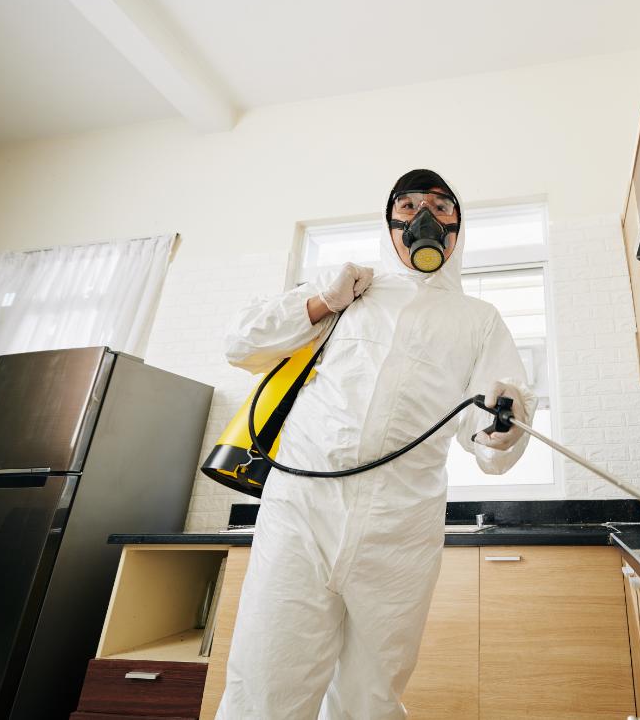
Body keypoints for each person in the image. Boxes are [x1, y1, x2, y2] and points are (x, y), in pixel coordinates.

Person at [216, 169, 537, 719]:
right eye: (408, 206)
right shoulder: (348, 287)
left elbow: (488, 446)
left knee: (370, 697)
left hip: (401, 527)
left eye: (439, 205)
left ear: (458, 226)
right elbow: (241, 342)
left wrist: (504, 426)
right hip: (301, 514)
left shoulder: (479, 321)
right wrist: (322, 301)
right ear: (389, 224)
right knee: (264, 686)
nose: (424, 219)